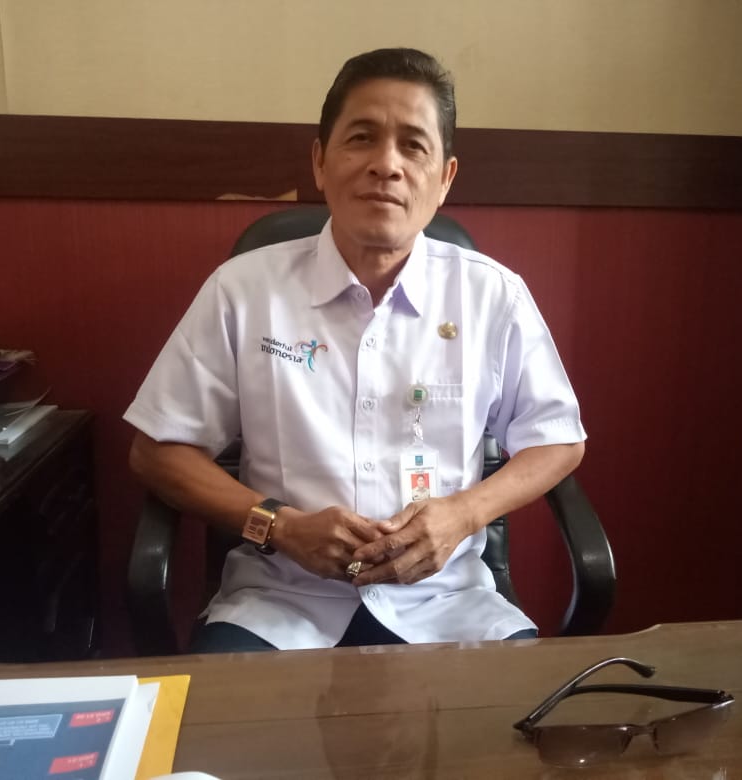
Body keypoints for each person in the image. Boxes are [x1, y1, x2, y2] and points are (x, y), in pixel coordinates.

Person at [124, 47, 586, 652]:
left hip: (447, 604)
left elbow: (558, 440)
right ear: (320, 162)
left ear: (445, 178)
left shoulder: (491, 295)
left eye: (413, 146)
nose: (386, 165)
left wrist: (465, 514)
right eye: (362, 138)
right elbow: (157, 451)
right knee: (228, 717)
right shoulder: (244, 290)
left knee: (518, 714)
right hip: (278, 602)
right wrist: (279, 526)